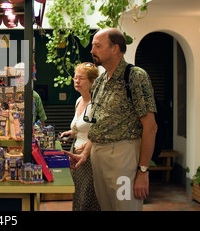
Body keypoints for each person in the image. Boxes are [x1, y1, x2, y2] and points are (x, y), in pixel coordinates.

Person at [64, 27, 158, 211]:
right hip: (98, 156)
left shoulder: (134, 76)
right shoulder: (99, 82)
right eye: (93, 46)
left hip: (123, 157)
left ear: (115, 48)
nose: (92, 51)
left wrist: (143, 171)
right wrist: (84, 154)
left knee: (124, 206)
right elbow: (98, 125)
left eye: (98, 46)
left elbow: (150, 127)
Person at [61, 62, 100, 211]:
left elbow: (98, 130)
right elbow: (82, 127)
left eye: (81, 78)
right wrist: (72, 133)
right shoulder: (79, 101)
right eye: (75, 78)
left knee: (88, 198)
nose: (76, 81)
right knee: (78, 196)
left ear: (92, 81)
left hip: (90, 157)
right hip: (76, 154)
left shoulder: (96, 103)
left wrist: (87, 148)